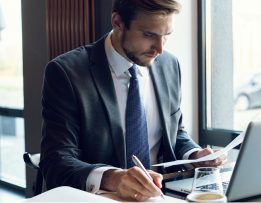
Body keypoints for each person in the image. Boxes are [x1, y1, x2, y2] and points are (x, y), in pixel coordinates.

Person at [39, 0, 226, 201]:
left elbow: (176, 133)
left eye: (166, 36)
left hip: (162, 195)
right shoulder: (67, 73)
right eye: (148, 35)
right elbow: (56, 162)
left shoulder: (169, 65)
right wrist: (114, 178)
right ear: (118, 22)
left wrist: (195, 155)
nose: (159, 48)